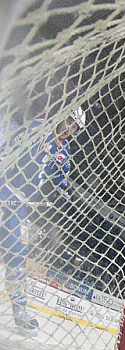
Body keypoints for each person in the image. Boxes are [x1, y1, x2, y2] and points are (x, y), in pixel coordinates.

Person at [0, 108, 85, 330]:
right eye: (69, 122)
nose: (69, 130)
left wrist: (64, 190)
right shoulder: (39, 128)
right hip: (3, 189)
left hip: (19, 205)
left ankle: (20, 310)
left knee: (18, 256)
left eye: (74, 127)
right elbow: (9, 145)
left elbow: (59, 176)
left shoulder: (64, 151)